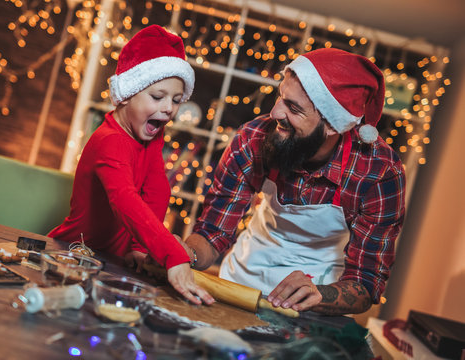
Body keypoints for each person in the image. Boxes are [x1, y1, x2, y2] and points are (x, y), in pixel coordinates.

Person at [182, 48, 406, 315]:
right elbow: (213, 233)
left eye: (294, 108)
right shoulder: (253, 139)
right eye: (281, 96)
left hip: (317, 301)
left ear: (333, 125)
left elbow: (366, 283)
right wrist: (185, 254)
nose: (275, 112)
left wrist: (318, 295)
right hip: (241, 283)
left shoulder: (378, 172)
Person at [49, 25, 213, 306]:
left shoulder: (150, 139)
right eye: (157, 96)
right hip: (73, 254)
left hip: (111, 262)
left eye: (176, 100)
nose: (168, 109)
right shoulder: (110, 140)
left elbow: (158, 190)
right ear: (127, 94)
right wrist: (173, 255)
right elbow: (125, 200)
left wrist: (139, 248)